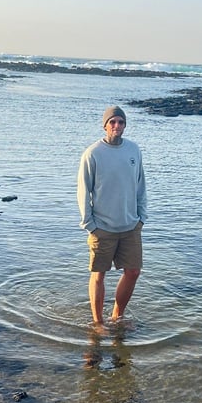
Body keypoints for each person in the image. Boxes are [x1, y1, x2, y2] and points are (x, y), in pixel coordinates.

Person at [77, 106, 147, 328]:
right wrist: (90, 224)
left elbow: (140, 185)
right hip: (102, 227)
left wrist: (141, 217)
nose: (117, 126)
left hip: (130, 226)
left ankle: (117, 316)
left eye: (121, 122)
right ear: (105, 125)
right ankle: (98, 324)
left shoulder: (134, 150)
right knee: (99, 275)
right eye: (113, 122)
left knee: (133, 272)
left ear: (125, 125)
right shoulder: (93, 153)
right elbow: (83, 190)